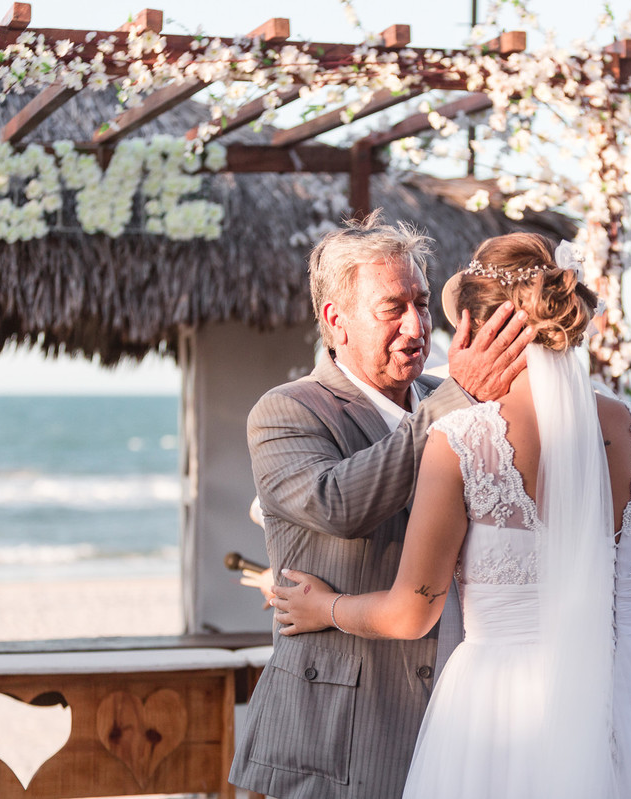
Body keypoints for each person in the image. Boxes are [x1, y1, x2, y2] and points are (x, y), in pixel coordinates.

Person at [274, 232, 631, 798]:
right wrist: (620, 606)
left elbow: (411, 614)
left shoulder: (463, 441)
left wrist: (326, 607)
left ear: (476, 327)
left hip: (506, 702)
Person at [227, 212, 533, 799]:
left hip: (459, 721)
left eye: (422, 303)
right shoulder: (287, 411)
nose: (417, 326)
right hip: (337, 734)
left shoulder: (453, 398)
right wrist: (459, 399)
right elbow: (338, 504)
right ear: (334, 319)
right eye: (393, 308)